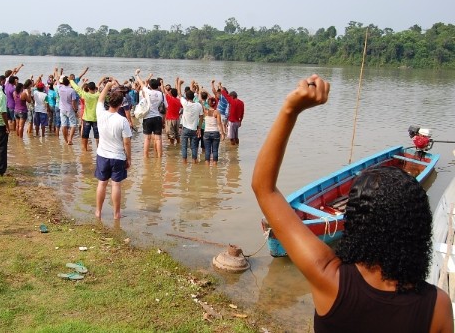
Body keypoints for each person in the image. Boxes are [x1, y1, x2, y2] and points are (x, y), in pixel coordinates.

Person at [252, 75, 453, 333]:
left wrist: (291, 109)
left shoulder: (329, 278)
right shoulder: (437, 306)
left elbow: (264, 188)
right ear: (419, 228)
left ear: (355, 223)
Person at [94, 80, 132, 220]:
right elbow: (127, 142)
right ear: (121, 104)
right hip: (118, 156)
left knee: (102, 183)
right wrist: (129, 158)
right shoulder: (122, 120)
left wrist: (108, 86)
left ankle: (98, 211)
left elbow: (100, 98)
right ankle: (117, 214)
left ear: (109, 102)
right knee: (116, 185)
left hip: (102, 154)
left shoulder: (100, 113)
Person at [134, 69, 165, 158]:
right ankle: (159, 157)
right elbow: (165, 106)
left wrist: (137, 75)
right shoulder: (161, 94)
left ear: (150, 86)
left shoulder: (148, 92)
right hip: (158, 117)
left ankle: (145, 156)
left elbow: (141, 83)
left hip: (148, 118)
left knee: (147, 138)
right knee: (158, 139)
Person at [71, 79, 100, 151]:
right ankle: (99, 149)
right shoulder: (98, 95)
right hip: (96, 118)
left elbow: (77, 89)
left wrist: (71, 81)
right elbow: (104, 91)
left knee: (85, 135)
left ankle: (84, 148)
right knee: (97, 135)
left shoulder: (85, 95)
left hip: (86, 118)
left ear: (88, 88)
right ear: (95, 88)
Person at [178, 89, 203, 163]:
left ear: (186, 97)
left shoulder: (185, 104)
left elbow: (179, 94)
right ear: (193, 97)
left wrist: (179, 83)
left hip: (185, 129)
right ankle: (194, 161)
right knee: (194, 147)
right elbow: (201, 116)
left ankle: (184, 162)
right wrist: (199, 128)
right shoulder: (198, 105)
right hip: (194, 129)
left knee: (184, 147)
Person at [202, 97, 225, 166]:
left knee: (207, 151)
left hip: (206, 133)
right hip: (215, 132)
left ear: (208, 104)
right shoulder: (217, 112)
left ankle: (207, 167)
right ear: (215, 104)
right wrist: (222, 133)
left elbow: (201, 102)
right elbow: (219, 123)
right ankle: (215, 166)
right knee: (215, 150)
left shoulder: (205, 111)